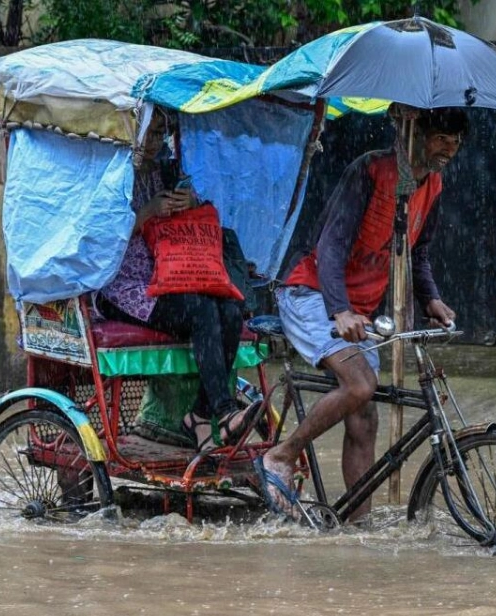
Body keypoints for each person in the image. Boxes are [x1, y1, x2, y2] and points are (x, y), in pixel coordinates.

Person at [254, 106, 469, 520]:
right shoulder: (371, 170)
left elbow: (418, 254)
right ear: (415, 132)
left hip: (360, 311)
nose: (450, 148)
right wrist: (339, 310)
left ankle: (357, 524)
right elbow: (332, 245)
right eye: (442, 137)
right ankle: (280, 456)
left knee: (364, 419)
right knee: (360, 385)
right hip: (312, 293)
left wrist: (432, 300)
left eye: (456, 141)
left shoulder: (432, 185)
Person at [98, 109, 255, 452]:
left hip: (171, 276)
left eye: (159, 134)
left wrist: (191, 201)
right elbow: (99, 239)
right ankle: (224, 410)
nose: (155, 142)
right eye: (149, 134)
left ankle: (199, 414)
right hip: (123, 287)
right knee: (200, 310)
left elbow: (196, 220)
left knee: (230, 308)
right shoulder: (111, 175)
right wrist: (148, 212)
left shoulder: (166, 170)